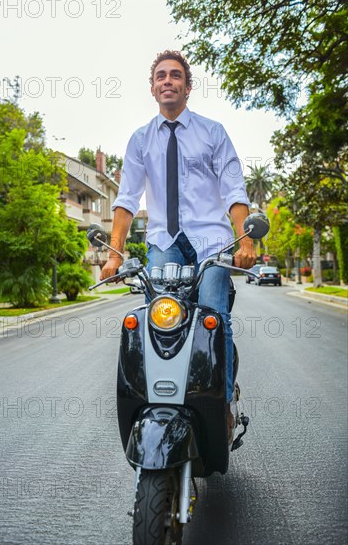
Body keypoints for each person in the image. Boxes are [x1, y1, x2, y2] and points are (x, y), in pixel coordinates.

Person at [100, 50, 257, 441]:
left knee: (213, 315)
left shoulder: (213, 132)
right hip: (164, 243)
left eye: (175, 76)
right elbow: (125, 199)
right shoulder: (140, 140)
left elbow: (234, 189)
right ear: (152, 88)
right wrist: (114, 253)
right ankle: (160, 399)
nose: (167, 81)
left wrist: (247, 237)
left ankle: (219, 404)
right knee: (159, 320)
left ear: (188, 87)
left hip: (213, 242)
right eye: (160, 76)